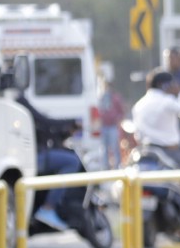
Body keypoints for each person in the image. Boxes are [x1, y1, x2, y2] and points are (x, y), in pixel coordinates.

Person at [16, 91, 82, 231]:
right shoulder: (17, 99)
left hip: (27, 155)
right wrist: (71, 121)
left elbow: (43, 127)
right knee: (72, 162)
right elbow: (44, 122)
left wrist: (65, 131)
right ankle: (48, 207)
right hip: (33, 157)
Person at [131, 69, 180, 159]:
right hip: (169, 153)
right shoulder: (167, 101)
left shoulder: (138, 105)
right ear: (164, 85)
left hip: (145, 152)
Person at [97, 71, 125, 169]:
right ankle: (105, 166)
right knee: (104, 148)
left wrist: (118, 121)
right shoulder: (101, 97)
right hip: (104, 126)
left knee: (114, 147)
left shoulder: (116, 97)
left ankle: (117, 166)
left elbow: (121, 111)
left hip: (113, 126)